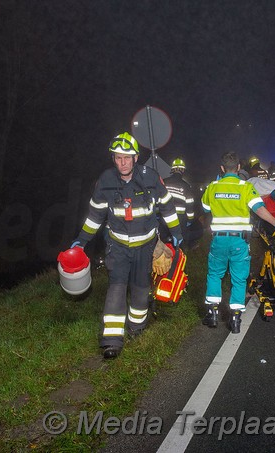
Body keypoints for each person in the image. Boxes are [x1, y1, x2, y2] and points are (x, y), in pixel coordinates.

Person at [71, 132, 183, 359]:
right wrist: (81, 241)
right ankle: (111, 340)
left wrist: (177, 233)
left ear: (135, 158)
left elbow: (168, 208)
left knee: (141, 289)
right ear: (113, 159)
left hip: (146, 247)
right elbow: (95, 216)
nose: (122, 162)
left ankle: (136, 328)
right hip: (118, 247)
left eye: (127, 157)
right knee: (116, 288)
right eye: (118, 157)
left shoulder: (151, 178)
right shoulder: (105, 181)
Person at [201, 152, 275, 333]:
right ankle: (235, 319)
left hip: (219, 240)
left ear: (221, 168)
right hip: (239, 242)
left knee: (214, 275)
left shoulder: (213, 187)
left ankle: (212, 313)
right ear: (239, 168)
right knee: (239, 279)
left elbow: (205, 208)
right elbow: (259, 209)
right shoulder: (245, 188)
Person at [163, 157, 201, 247]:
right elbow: (190, 206)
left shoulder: (164, 182)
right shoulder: (186, 186)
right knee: (179, 244)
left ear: (172, 170)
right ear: (183, 170)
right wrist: (190, 220)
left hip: (164, 218)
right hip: (179, 219)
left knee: (163, 245)